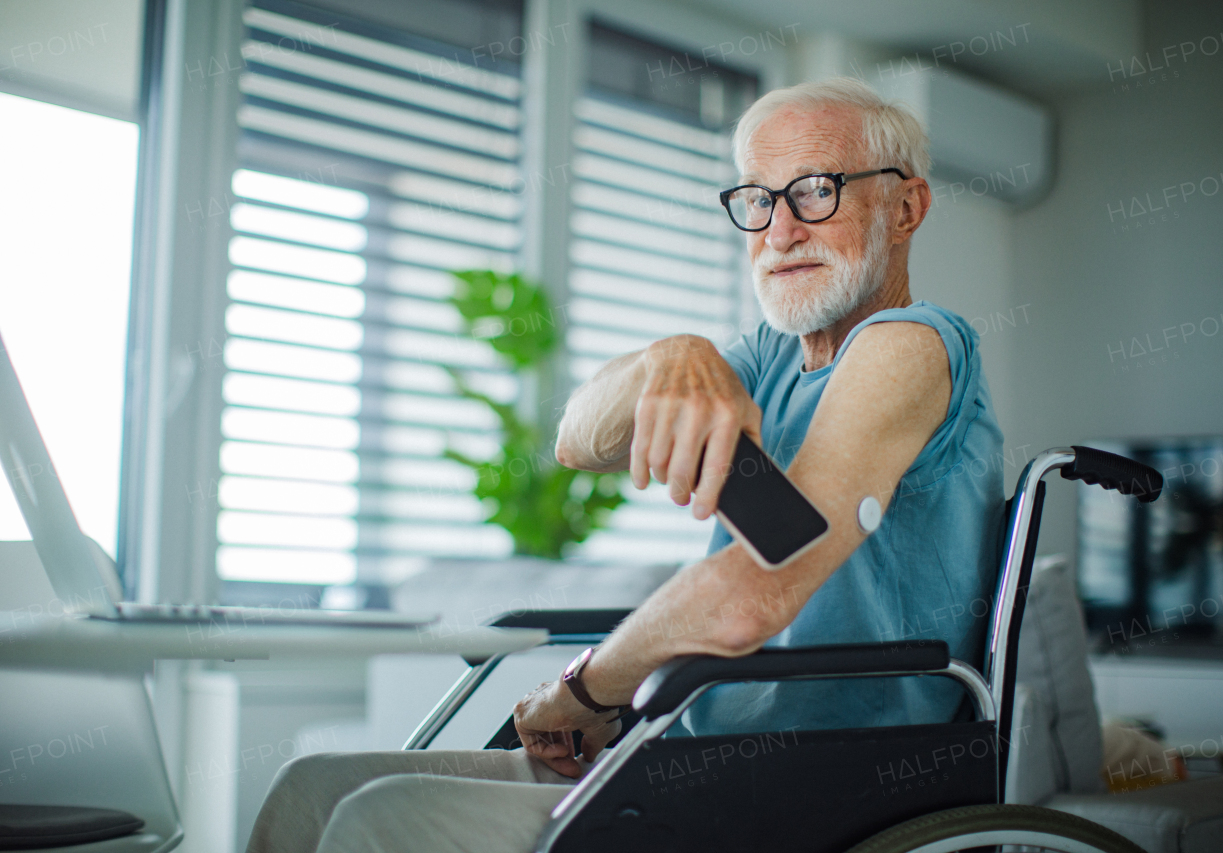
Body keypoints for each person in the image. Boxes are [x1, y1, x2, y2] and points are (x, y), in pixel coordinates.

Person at [248, 75, 1006, 853]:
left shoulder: (909, 345)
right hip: (688, 752)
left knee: (382, 822)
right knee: (310, 788)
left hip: (826, 780)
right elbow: (578, 440)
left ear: (906, 208)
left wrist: (582, 690)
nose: (780, 231)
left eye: (816, 191)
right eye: (758, 198)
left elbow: (754, 593)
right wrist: (672, 356)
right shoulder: (773, 358)